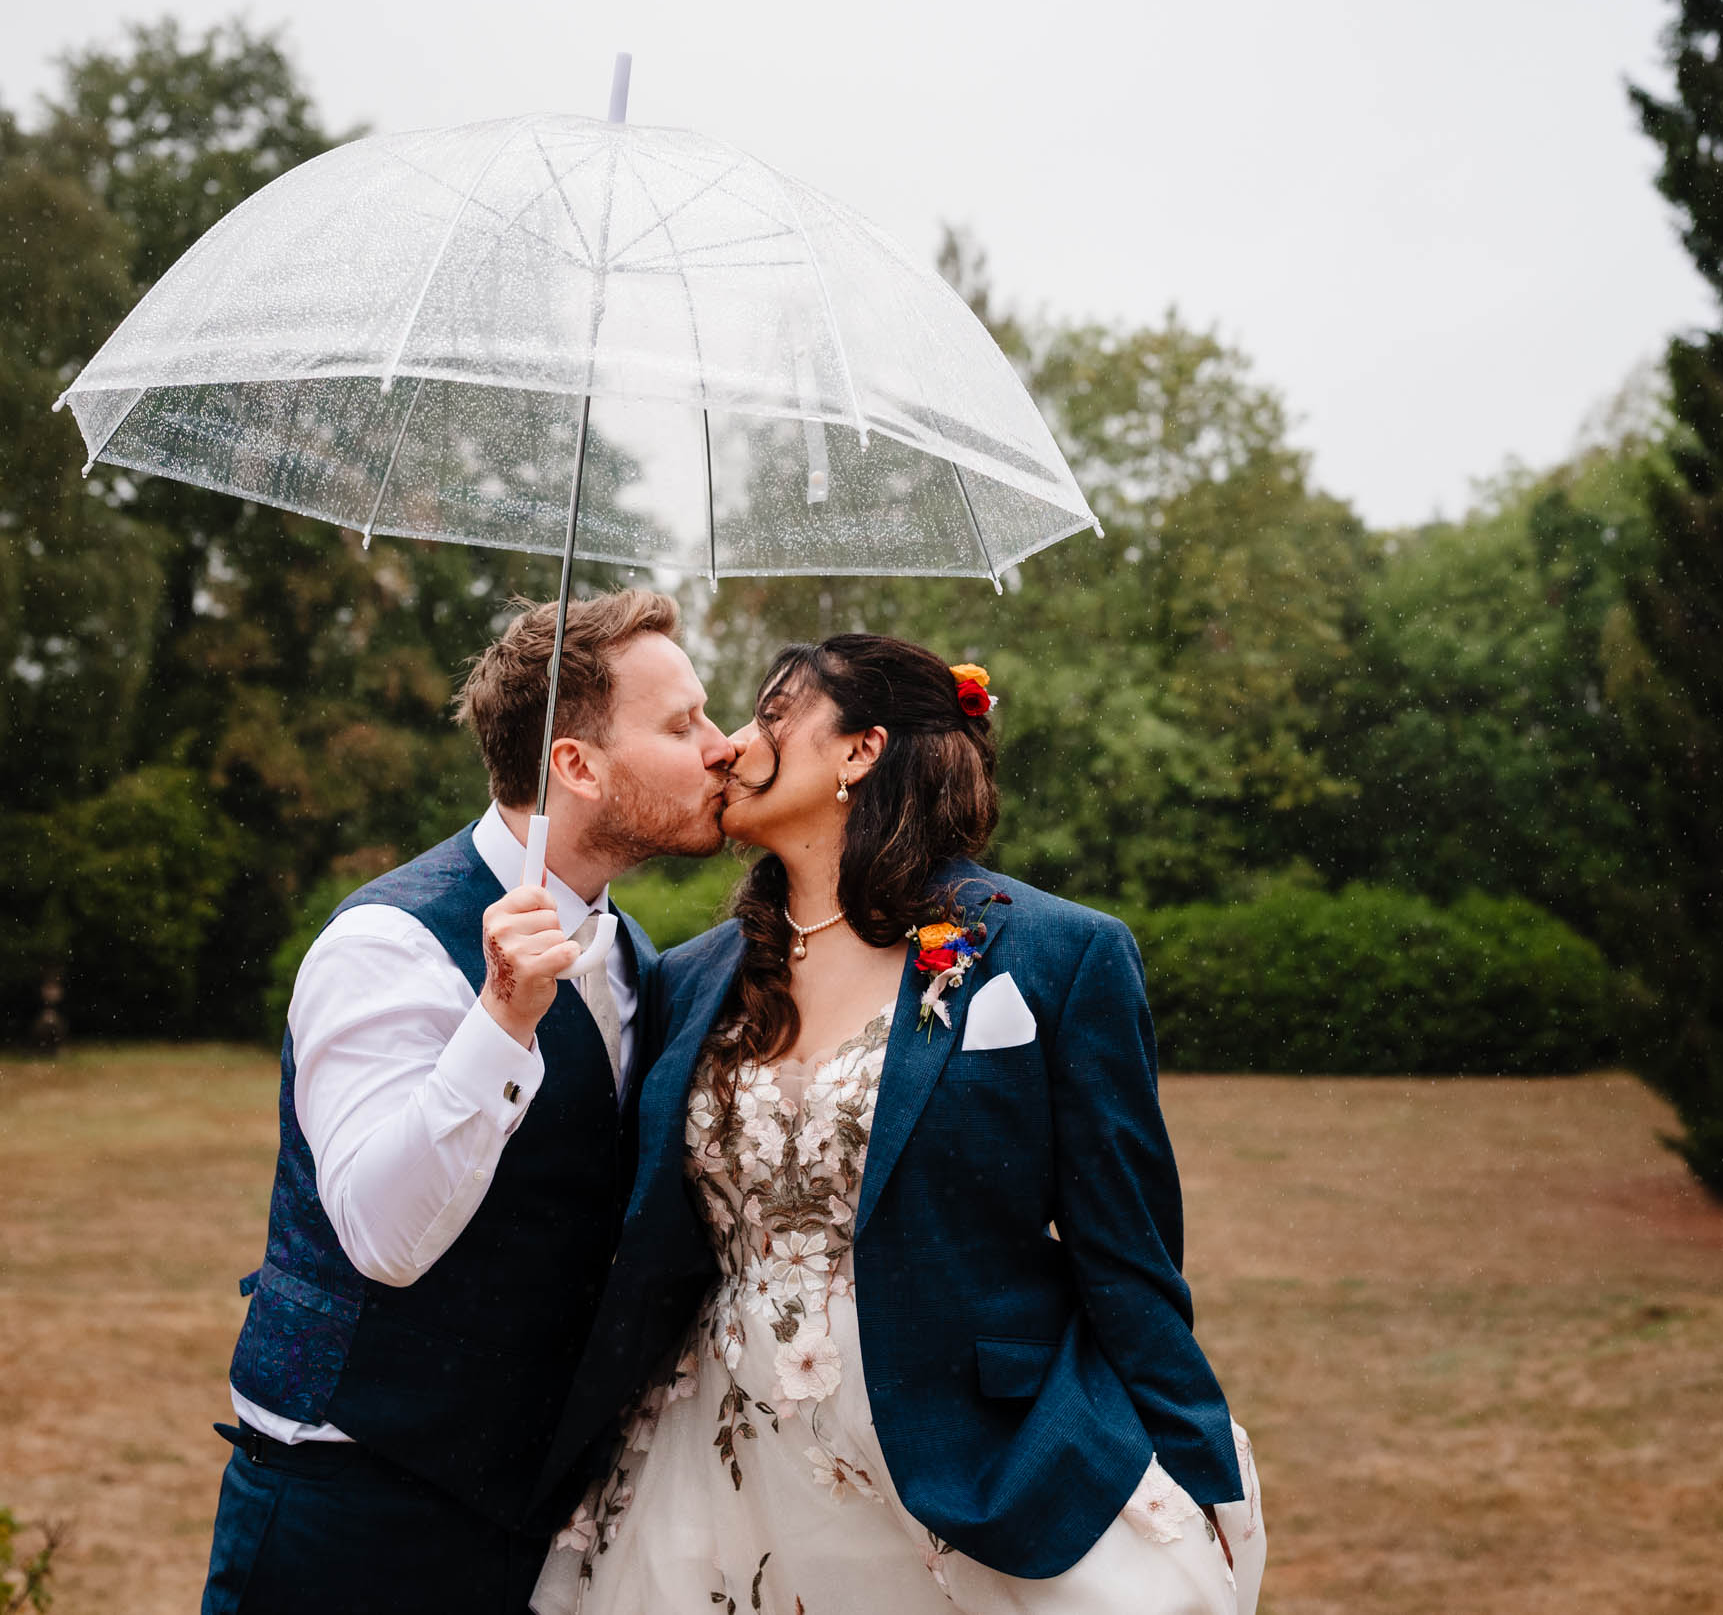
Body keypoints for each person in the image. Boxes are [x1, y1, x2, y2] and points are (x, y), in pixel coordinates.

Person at [535, 634, 1265, 1615]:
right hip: (719, 1459)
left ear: (861, 750)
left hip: (969, 1449)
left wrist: (1199, 1465)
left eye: (772, 715)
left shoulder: (1055, 955)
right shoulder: (689, 977)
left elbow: (1128, 1260)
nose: (730, 744)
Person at [202, 591, 739, 1615]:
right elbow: (382, 1236)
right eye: (682, 725)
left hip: (528, 1508)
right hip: (354, 1507)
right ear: (576, 764)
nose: (721, 746)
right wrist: (501, 1020)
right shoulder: (387, 945)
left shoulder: (632, 954)